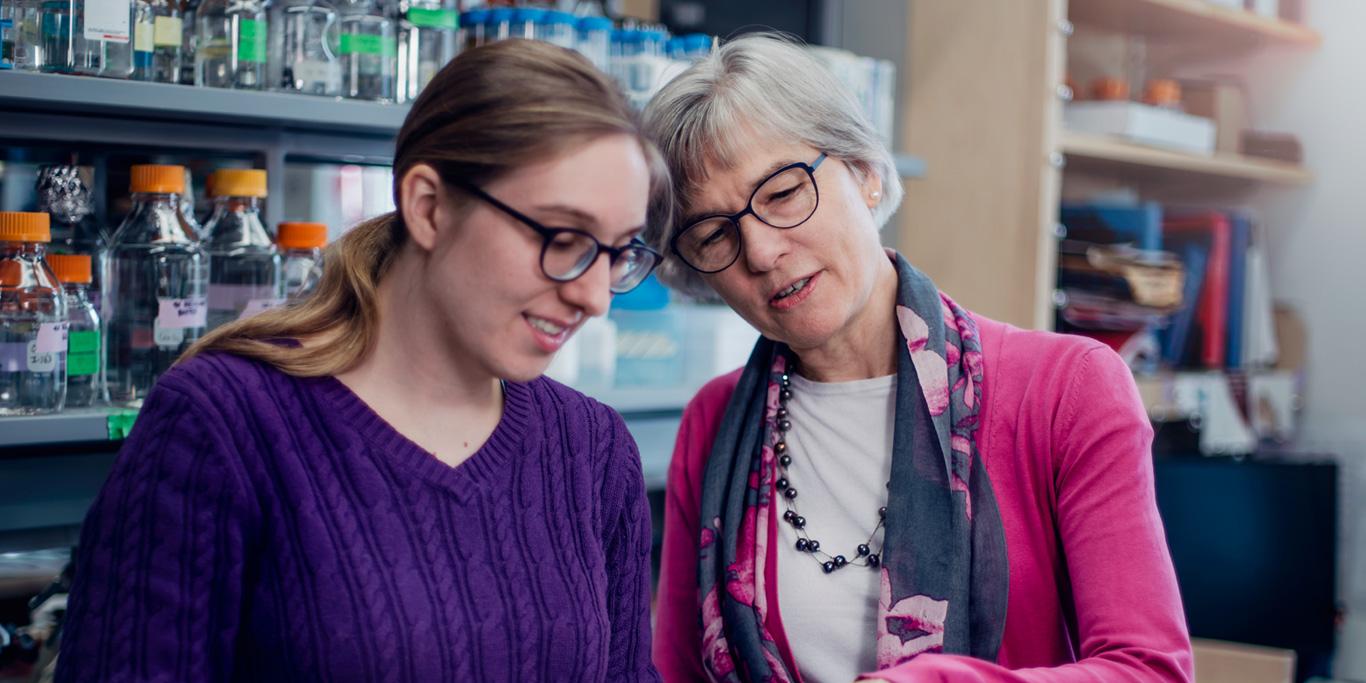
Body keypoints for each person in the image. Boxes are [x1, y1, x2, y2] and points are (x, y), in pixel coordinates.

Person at [57, 39, 668, 682]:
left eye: (619, 252)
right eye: (563, 239)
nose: (595, 296)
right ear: (429, 207)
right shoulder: (223, 424)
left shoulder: (591, 450)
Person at [644, 33, 1193, 683]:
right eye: (714, 234)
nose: (761, 251)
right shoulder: (715, 421)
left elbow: (1150, 670)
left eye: (784, 193)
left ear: (866, 174)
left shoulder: (1067, 387)